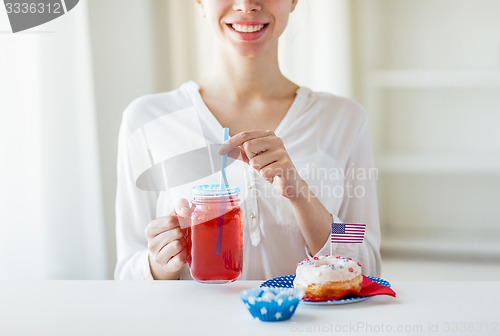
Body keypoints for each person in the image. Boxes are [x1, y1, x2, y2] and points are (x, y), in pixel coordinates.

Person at [114, 0, 381, 280]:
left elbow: (367, 262)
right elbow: (127, 272)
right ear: (200, 3)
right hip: (194, 324)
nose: (246, 5)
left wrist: (300, 195)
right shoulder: (147, 119)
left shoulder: (343, 119)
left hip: (308, 324)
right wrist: (159, 261)